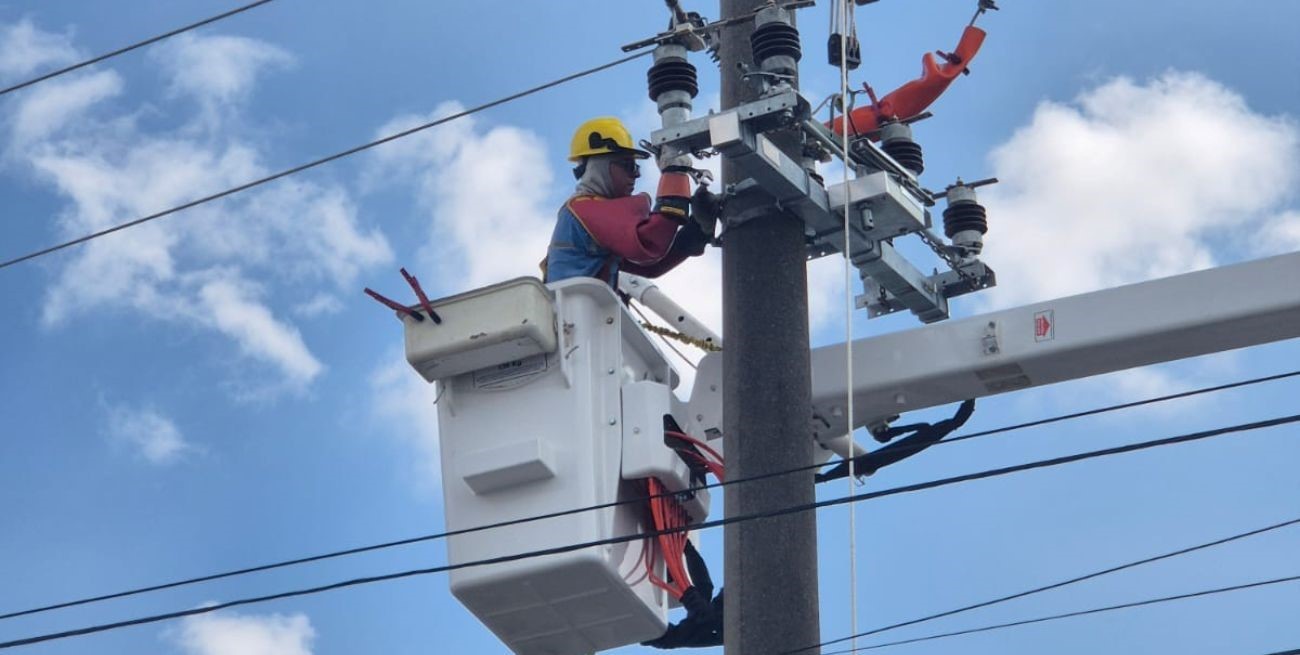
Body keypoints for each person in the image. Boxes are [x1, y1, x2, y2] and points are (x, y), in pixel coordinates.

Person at [544, 116, 718, 287]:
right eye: (629, 166)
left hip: (583, 304)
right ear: (600, 166)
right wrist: (675, 174)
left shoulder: (589, 223)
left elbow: (651, 266)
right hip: (580, 304)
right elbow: (649, 245)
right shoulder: (583, 210)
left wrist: (697, 229)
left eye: (636, 168)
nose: (636, 175)